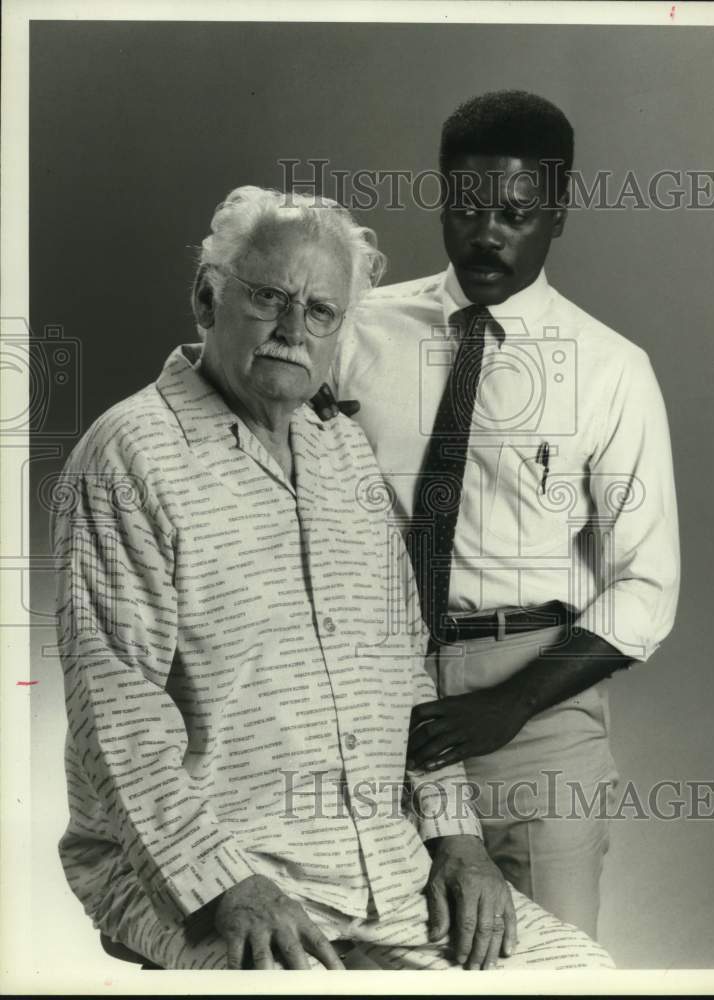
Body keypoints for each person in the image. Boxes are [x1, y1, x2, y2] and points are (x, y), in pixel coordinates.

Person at [52, 184, 614, 971]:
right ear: (207, 297)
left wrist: (455, 839)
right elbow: (120, 715)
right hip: (208, 875)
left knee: (581, 976)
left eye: (320, 311)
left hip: (382, 868)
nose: (292, 330)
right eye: (269, 299)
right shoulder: (130, 456)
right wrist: (226, 886)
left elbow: (404, 673)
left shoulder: (344, 455)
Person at [324, 90, 680, 939]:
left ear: (557, 212)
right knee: (371, 953)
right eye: (467, 208)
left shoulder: (610, 370)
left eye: (517, 213)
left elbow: (645, 586)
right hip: (371, 697)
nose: (487, 234)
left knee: (541, 963)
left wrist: (509, 705)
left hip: (535, 713)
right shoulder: (356, 332)